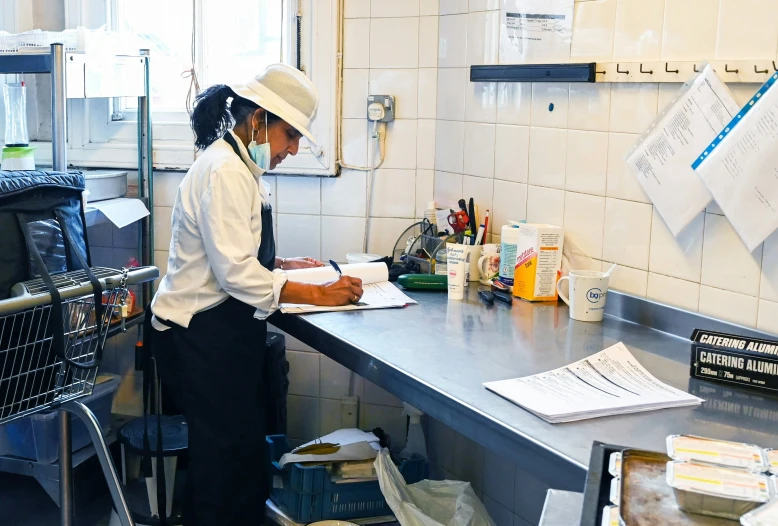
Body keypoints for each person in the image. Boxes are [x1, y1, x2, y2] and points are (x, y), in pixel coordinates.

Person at [149, 64, 363, 525]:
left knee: (236, 460)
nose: (293, 148)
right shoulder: (224, 170)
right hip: (197, 337)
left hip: (219, 332)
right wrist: (320, 294)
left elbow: (233, 254)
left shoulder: (242, 168)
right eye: (289, 135)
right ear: (259, 120)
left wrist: (285, 266)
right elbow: (235, 275)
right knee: (224, 469)